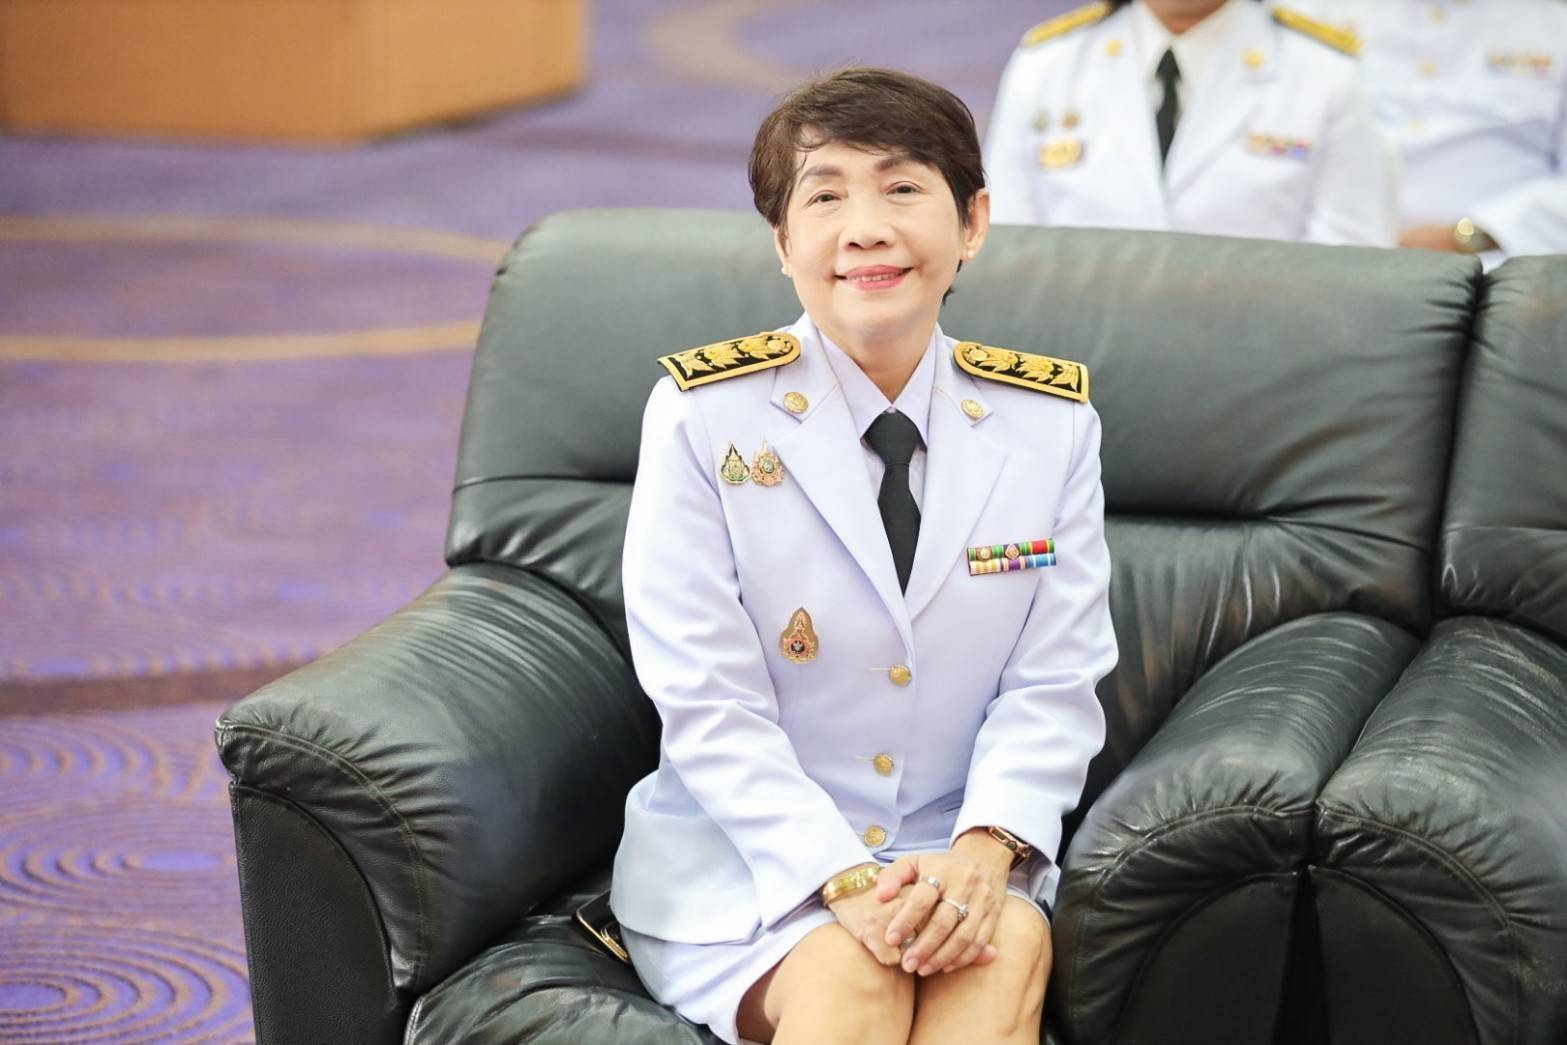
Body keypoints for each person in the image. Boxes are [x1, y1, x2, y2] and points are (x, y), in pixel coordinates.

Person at [608, 68, 1117, 1045]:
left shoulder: (1049, 424)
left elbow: (1054, 681)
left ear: (972, 222)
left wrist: (985, 851)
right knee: (853, 975)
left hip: (959, 850)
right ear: (781, 241)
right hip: (746, 861)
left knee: (1001, 949)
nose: (866, 229)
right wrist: (837, 876)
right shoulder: (703, 415)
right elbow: (706, 697)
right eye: (825, 196)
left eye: (902, 188)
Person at [985, 0, 1397, 246]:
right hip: (1076, 355)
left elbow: (1352, 268)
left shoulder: (1326, 75)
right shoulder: (1044, 67)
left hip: (1263, 356)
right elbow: (1008, 253)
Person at [1296, 0, 1567, 260]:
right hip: (1332, 257)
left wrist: (1472, 235)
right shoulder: (1308, 15)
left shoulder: (1554, 27)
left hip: (1503, 266)